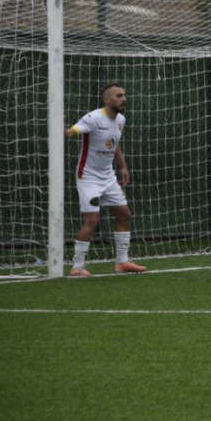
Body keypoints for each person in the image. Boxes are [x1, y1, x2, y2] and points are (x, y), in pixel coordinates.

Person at [63, 83, 146, 276]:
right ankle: (77, 267)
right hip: (88, 176)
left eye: (124, 95)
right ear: (106, 99)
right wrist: (61, 126)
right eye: (118, 96)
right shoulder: (92, 118)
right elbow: (70, 134)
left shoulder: (121, 120)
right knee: (92, 220)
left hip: (108, 176)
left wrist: (123, 166)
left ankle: (122, 262)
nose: (123, 99)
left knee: (124, 214)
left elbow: (114, 143)